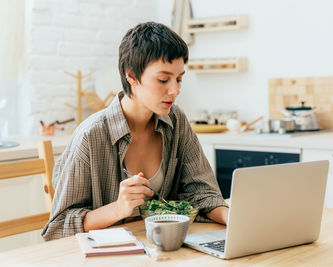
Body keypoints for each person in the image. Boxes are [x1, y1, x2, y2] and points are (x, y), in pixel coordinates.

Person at [42, 22, 229, 241]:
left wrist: (233, 217)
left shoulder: (176, 121)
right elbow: (58, 227)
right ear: (131, 75)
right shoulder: (91, 136)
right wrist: (118, 208)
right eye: (163, 80)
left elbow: (203, 194)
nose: (175, 90)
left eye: (179, 79)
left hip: (163, 250)